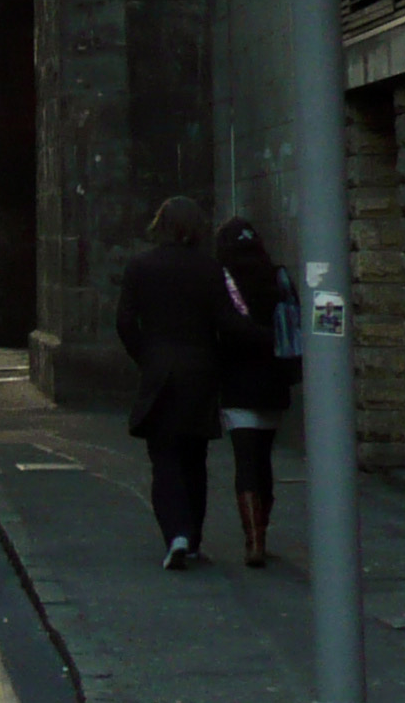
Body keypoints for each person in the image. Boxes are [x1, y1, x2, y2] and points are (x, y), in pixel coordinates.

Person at [117, 195, 265, 570]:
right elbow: (228, 323)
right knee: (194, 458)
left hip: (159, 372)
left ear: (160, 225)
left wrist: (146, 358)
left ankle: (177, 534)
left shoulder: (139, 267)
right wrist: (268, 338)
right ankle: (193, 539)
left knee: (163, 458)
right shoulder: (209, 268)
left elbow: (124, 323)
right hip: (200, 373)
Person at [216, 216, 301, 568]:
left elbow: (220, 326)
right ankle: (261, 530)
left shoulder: (223, 280)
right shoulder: (278, 276)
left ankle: (254, 539)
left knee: (245, 460)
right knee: (264, 458)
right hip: (274, 379)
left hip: (237, 381)